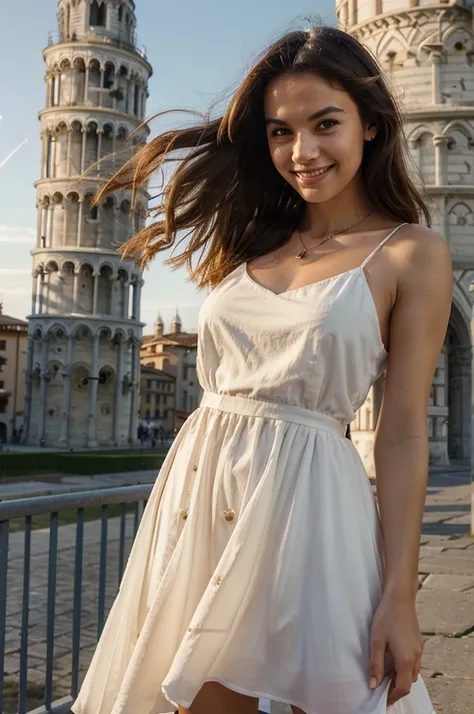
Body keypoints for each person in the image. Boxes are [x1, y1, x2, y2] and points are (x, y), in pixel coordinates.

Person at [72, 25, 452, 714]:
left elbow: (401, 434)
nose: (302, 152)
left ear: (370, 124)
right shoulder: (255, 241)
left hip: (314, 505)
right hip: (201, 498)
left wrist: (401, 595)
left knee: (339, 693)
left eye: (324, 124)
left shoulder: (411, 254)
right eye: (281, 131)